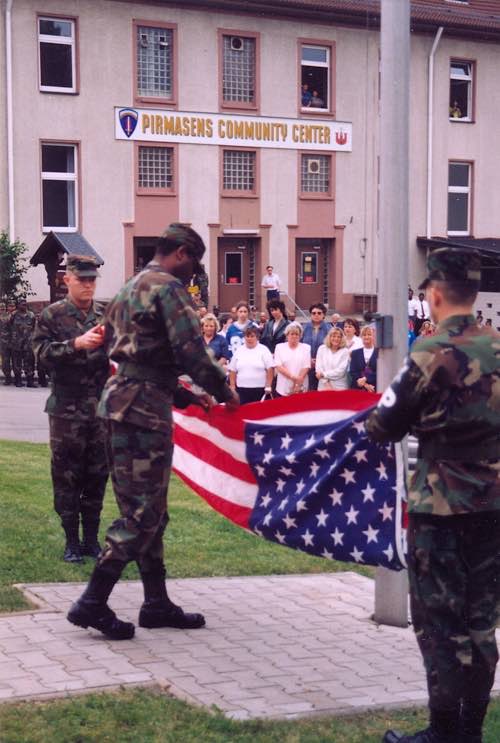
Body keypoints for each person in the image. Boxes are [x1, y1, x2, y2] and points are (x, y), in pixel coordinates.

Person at [67, 223, 239, 641]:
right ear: (180, 252)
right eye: (194, 262)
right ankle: (92, 601)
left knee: (149, 511)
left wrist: (184, 399)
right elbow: (190, 352)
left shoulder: (129, 287)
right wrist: (222, 389)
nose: (193, 272)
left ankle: (156, 602)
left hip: (124, 402)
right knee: (143, 516)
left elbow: (136, 356)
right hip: (144, 411)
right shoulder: (168, 289)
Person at [366, 247, 500, 743]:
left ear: (435, 294)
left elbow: (383, 425)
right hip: (492, 507)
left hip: (441, 509)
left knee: (441, 624)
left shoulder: (429, 351)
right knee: (482, 621)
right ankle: (470, 732)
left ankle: (444, 733)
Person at [33, 256, 109, 563]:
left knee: (97, 475)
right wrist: (75, 344)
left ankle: (91, 540)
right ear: (68, 280)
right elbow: (40, 353)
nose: (89, 285)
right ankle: (71, 541)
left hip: (100, 411)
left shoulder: (106, 313)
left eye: (93, 280)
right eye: (83, 280)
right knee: (67, 476)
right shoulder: (52, 315)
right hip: (67, 411)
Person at [228, 326, 274, 404]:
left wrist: (268, 385)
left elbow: (270, 369)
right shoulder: (239, 351)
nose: (249, 339)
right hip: (242, 389)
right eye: (247, 336)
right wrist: (232, 386)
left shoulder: (264, 350)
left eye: (252, 336)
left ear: (257, 337)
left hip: (260, 389)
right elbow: (232, 370)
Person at [274, 322, 311, 397]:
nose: (294, 336)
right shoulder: (279, 347)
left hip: (301, 386)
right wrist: (294, 378)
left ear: (300, 336)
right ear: (287, 335)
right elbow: (279, 366)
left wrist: (297, 384)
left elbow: (306, 366)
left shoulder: (306, 347)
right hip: (283, 386)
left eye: (297, 334)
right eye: (292, 334)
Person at [302, 302, 330, 391]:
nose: (316, 315)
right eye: (313, 313)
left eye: (319, 313)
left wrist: (318, 361)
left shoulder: (330, 329)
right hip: (307, 364)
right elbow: (300, 346)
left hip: (324, 366)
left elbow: (332, 347)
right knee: (309, 391)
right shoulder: (304, 328)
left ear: (324, 315)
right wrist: (308, 359)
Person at [10, 298, 36, 387]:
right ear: (18, 305)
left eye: (25, 304)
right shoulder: (13, 315)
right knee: (17, 362)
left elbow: (34, 327)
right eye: (22, 304)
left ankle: (30, 381)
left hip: (28, 342)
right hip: (16, 342)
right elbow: (10, 326)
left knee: (29, 361)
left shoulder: (31, 315)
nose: (24, 305)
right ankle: (18, 380)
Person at [349, 325, 378, 392]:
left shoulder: (380, 353)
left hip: (375, 388)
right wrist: (365, 385)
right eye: (364, 335)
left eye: (369, 334)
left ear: (373, 336)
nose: (366, 337)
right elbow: (353, 372)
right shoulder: (355, 353)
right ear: (361, 337)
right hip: (358, 388)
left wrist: (366, 378)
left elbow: (380, 371)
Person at [0, 300, 13, 385]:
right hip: (2, 343)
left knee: (9, 361)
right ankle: (7, 377)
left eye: (3, 308)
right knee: (5, 362)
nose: (2, 309)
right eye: (0, 308)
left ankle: (10, 378)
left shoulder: (10, 317)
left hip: (9, 342)